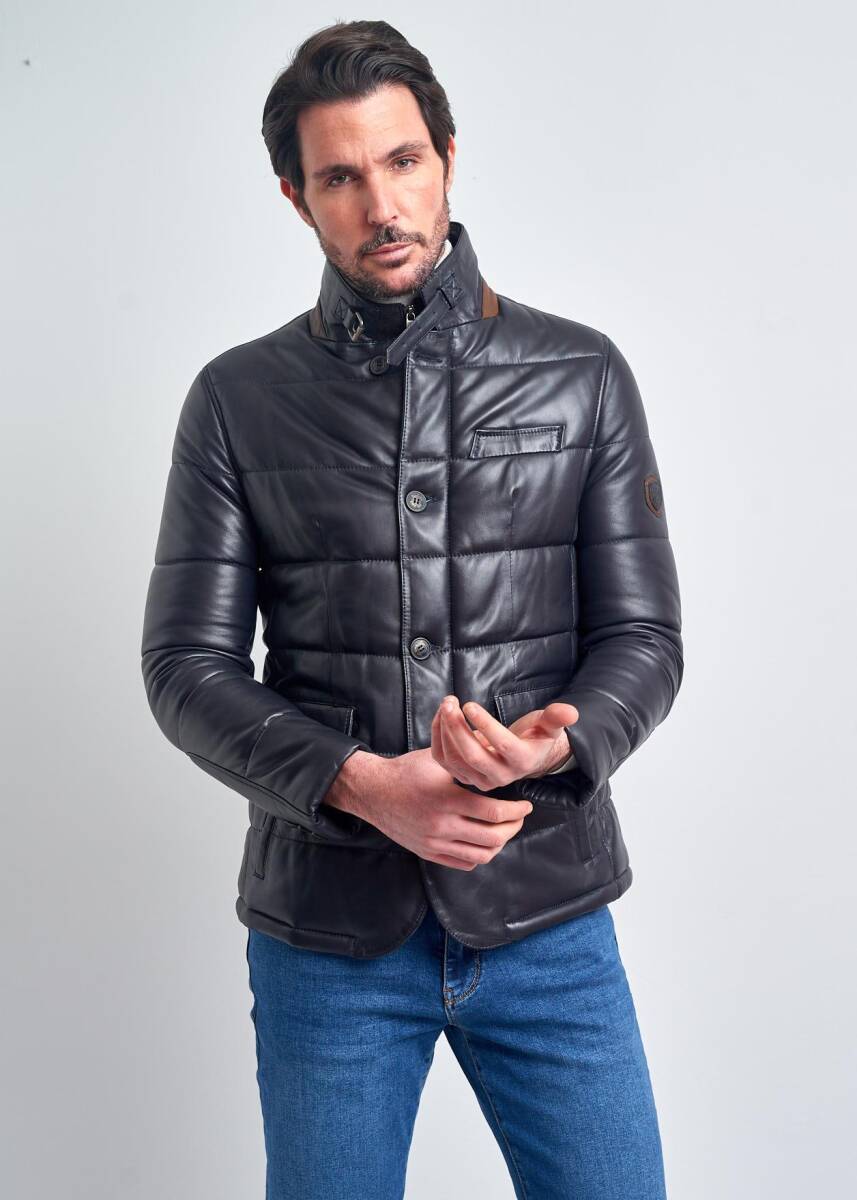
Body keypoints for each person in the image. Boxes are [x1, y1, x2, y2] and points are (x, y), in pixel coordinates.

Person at [141, 18, 683, 1199]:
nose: (380, 205)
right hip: (325, 936)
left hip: (548, 912)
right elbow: (185, 666)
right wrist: (359, 784)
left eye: (401, 161)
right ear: (296, 197)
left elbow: (643, 637)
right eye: (340, 177)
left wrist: (557, 744)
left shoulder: (579, 372)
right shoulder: (236, 401)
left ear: (445, 158)